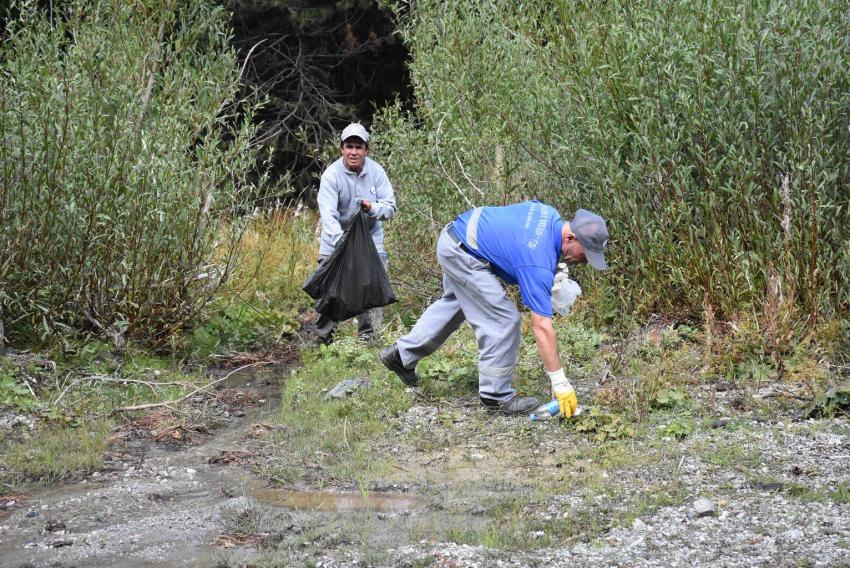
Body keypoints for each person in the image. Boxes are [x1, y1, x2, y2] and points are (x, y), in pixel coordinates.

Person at [380, 201, 609, 415]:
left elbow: (519, 240)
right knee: (504, 320)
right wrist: (560, 382)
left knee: (456, 304)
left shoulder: (549, 214)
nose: (585, 261)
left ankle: (401, 355)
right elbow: (541, 327)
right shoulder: (537, 263)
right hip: (464, 253)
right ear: (570, 237)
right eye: (586, 253)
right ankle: (495, 396)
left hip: (458, 237)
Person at [315, 123, 397, 344]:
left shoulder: (377, 172)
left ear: (366, 150)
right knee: (329, 295)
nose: (353, 151)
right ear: (342, 149)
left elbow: (391, 208)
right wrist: (342, 244)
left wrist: (373, 208)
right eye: (349, 146)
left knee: (373, 294)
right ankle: (323, 344)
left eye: (358, 147)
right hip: (335, 244)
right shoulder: (331, 175)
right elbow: (328, 215)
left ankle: (368, 345)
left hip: (371, 244)